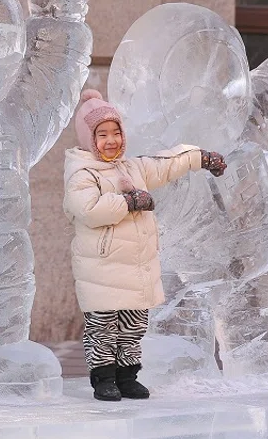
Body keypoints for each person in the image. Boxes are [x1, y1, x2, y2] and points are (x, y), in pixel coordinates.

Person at [63, 90, 226, 401]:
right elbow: (87, 209)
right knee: (103, 329)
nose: (111, 140)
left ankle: (127, 377)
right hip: (101, 269)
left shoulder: (132, 168)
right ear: (88, 138)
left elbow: (165, 163)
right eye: (102, 135)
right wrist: (129, 201)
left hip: (135, 269)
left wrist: (200, 157)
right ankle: (103, 379)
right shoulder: (82, 173)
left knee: (133, 327)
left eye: (116, 133)